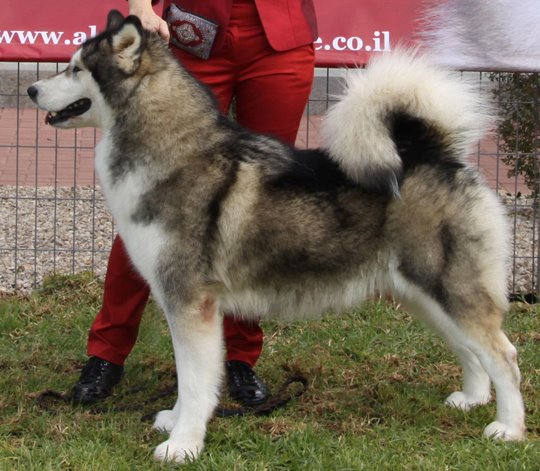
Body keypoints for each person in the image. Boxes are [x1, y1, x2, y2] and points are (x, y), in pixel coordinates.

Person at [72, 0, 317, 406]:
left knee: (257, 212)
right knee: (151, 209)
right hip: (190, 37)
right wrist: (139, 7)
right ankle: (107, 352)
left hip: (278, 42)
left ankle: (240, 359)